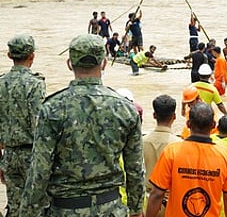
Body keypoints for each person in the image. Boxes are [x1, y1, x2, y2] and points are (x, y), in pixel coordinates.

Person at [19, 34, 145, 216]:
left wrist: (27, 211)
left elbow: (39, 170)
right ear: (103, 63)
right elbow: (135, 168)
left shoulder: (52, 109)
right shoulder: (125, 109)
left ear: (70, 64)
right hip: (111, 209)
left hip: (65, 209)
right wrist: (136, 208)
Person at [146, 102, 227, 217]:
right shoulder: (226, 156)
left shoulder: (171, 151)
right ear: (213, 125)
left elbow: (157, 194)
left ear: (188, 124)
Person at [0, 34, 46, 217]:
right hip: (32, 154)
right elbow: (39, 125)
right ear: (32, 56)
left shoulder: (1, 83)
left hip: (9, 154)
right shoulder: (35, 84)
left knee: (14, 204)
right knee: (37, 206)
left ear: (9, 55)